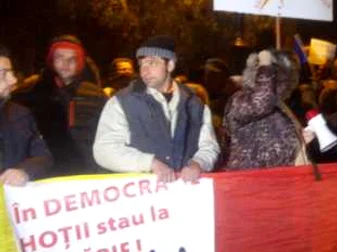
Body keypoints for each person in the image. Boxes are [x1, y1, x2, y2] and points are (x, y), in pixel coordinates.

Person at [93, 35, 220, 182]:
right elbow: (104, 150)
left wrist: (198, 164)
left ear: (170, 65)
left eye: (152, 63)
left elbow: (209, 146)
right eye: (141, 64)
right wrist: (150, 163)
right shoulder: (121, 103)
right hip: (140, 196)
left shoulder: (195, 104)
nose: (144, 71)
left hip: (183, 194)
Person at [13, 35, 105, 176]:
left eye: (72, 59)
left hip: (88, 171)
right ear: (51, 60)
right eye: (60, 57)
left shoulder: (96, 95)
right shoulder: (32, 94)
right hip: (46, 174)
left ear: (80, 63)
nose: (66, 63)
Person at [223, 49, 307, 170]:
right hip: (250, 181)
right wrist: (266, 65)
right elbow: (261, 103)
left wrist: (303, 139)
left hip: (278, 180)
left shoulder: (281, 106)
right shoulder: (240, 100)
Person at [0, 45, 52, 185]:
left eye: (11, 72)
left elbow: (44, 155)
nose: (14, 80)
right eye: (4, 74)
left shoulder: (21, 114)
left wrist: (25, 171)